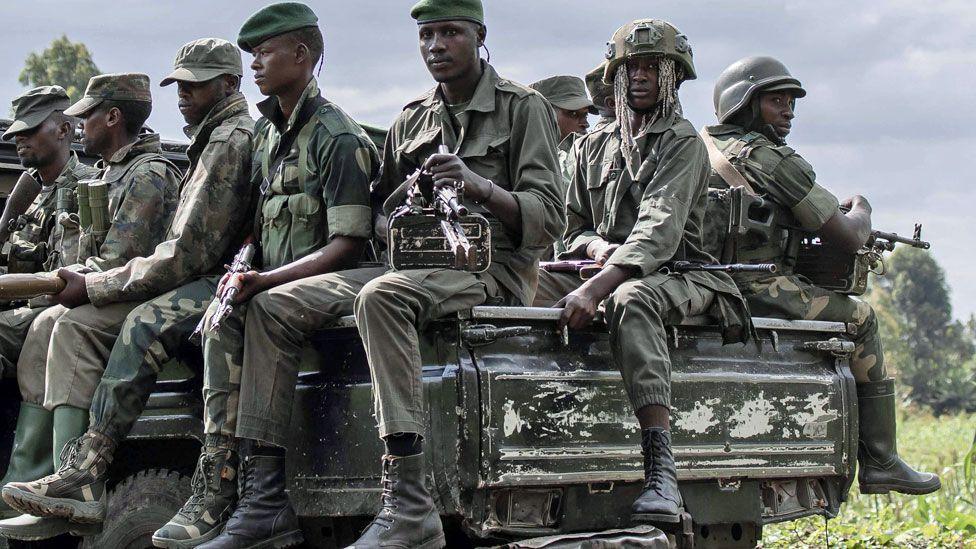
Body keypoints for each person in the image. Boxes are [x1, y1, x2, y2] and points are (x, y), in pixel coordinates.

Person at [0, 40, 257, 542]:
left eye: (195, 83)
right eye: (179, 84)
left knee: (69, 324)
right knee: (54, 325)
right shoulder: (203, 143)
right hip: (177, 282)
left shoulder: (190, 156)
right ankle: (48, 479)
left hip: (202, 287)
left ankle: (78, 478)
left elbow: (178, 257)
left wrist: (90, 284)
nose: (182, 94)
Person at [158, 4, 381, 548]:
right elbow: (259, 222)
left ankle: (262, 497)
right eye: (251, 55)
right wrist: (244, 266)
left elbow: (347, 244)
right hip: (275, 282)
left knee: (255, 308)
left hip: (327, 288)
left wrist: (267, 281)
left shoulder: (338, 137)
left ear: (302, 56)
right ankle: (219, 484)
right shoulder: (267, 136)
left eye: (265, 53)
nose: (254, 63)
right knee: (218, 316)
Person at [349, 0, 564, 546]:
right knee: (289, 305)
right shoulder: (411, 118)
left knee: (381, 298)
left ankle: (408, 499)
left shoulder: (522, 108)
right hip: (418, 266)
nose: (436, 46)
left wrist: (478, 186)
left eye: (450, 33)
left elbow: (550, 218)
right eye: (426, 36)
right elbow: (381, 216)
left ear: (479, 37)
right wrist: (408, 197)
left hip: (493, 271)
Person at [703, 55, 940, 496]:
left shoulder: (695, 147)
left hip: (702, 282)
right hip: (755, 285)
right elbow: (849, 236)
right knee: (862, 317)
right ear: (745, 105)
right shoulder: (771, 160)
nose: (789, 112)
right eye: (777, 101)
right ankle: (881, 461)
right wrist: (862, 205)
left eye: (791, 102)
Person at [546, 19, 750, 529]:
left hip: (681, 273)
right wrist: (595, 246)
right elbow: (568, 227)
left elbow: (659, 233)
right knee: (522, 281)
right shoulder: (594, 146)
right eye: (630, 67)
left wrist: (598, 282)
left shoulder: (682, 142)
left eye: (652, 68)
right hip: (596, 266)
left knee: (630, 299)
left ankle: (661, 472)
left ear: (673, 77)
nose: (639, 76)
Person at [0, 86, 98, 519]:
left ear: (63, 129)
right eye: (16, 131)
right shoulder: (30, 190)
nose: (18, 139)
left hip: (53, 311)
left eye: (29, 130)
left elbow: (69, 279)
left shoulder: (85, 189)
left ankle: (22, 477)